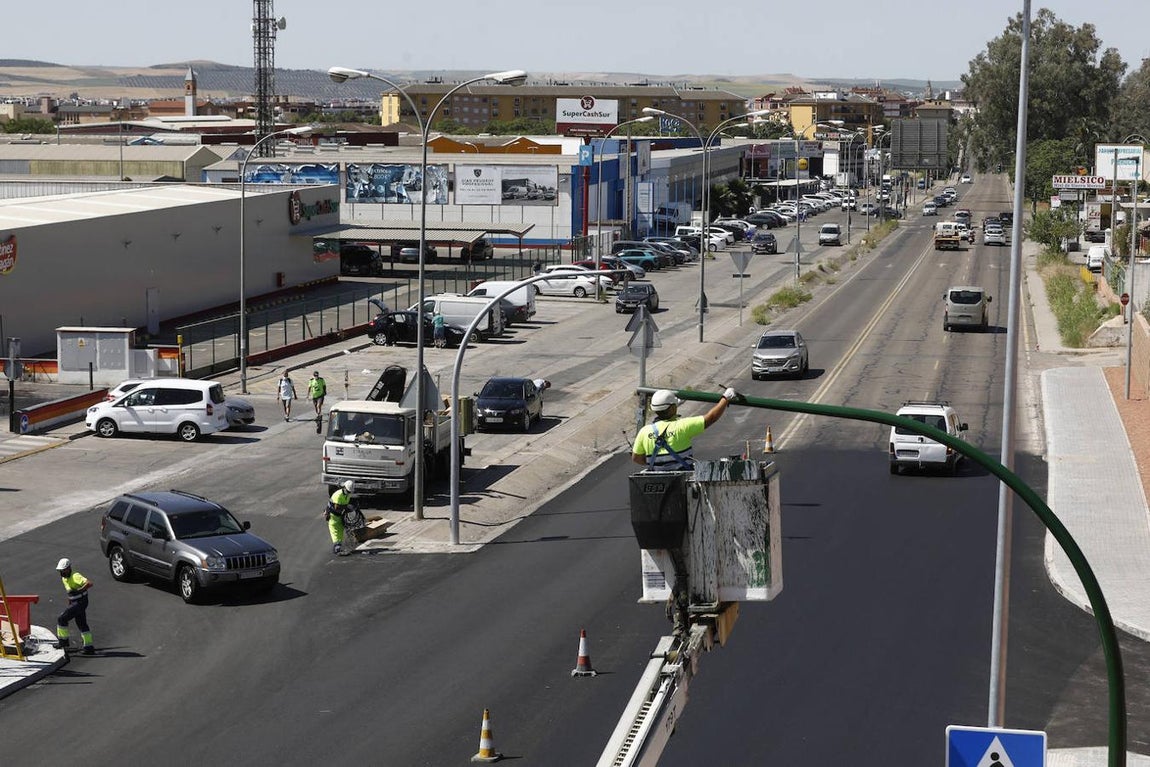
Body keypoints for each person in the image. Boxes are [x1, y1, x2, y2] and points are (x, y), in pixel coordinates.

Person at [632, 387, 738, 471]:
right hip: (682, 481)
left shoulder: (644, 432)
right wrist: (725, 398)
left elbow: (636, 458)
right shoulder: (682, 426)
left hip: (658, 481)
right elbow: (711, 418)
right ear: (673, 408)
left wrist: (658, 462)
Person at [54, 558, 95, 655]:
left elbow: (89, 583)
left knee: (62, 619)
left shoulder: (75, 576)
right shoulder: (64, 578)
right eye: (60, 571)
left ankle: (63, 642)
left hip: (80, 602)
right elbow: (69, 593)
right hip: (74, 603)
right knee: (81, 623)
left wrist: (80, 590)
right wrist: (70, 602)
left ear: (68, 568)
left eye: (63, 570)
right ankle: (89, 647)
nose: (61, 573)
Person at [325, 480, 355, 555]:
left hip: (339, 514)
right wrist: (347, 507)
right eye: (348, 491)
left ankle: (338, 545)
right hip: (333, 515)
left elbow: (344, 504)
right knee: (335, 530)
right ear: (344, 487)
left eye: (349, 492)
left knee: (340, 529)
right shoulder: (338, 495)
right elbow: (336, 507)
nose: (349, 493)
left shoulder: (346, 494)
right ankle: (336, 547)